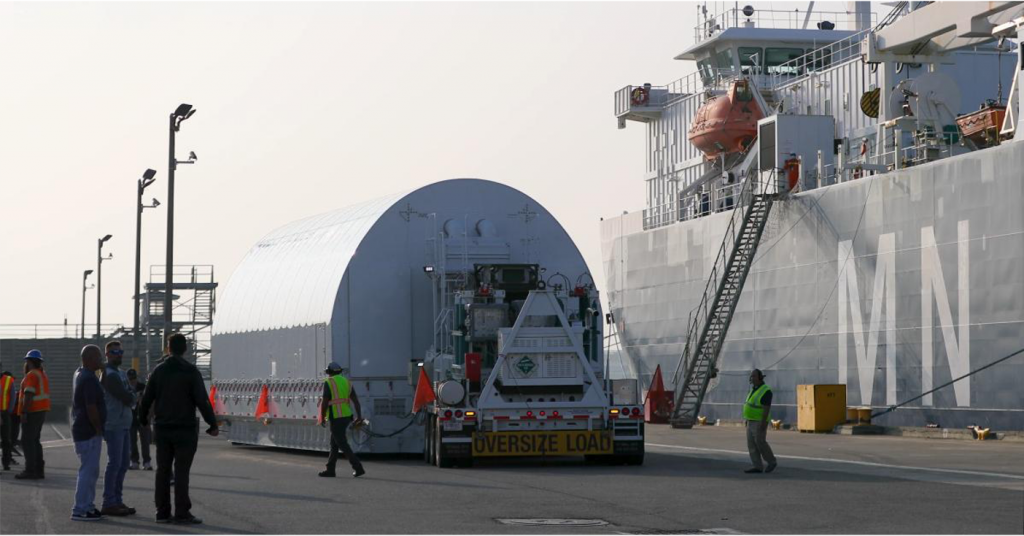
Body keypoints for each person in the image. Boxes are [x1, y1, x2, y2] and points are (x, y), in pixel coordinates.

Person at [139, 334, 219, 525]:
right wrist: (212, 424)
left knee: (163, 471)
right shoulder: (191, 371)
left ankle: (162, 512)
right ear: (185, 349)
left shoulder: (158, 371)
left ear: (168, 348)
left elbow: (146, 398)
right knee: (182, 472)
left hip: (163, 428)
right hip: (185, 429)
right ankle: (182, 512)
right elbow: (202, 400)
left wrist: (142, 419)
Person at [99, 340, 137, 516]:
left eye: (120, 352)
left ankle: (117, 500)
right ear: (107, 354)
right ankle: (109, 502)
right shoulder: (109, 374)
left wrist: (131, 396)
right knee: (115, 463)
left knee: (122, 464)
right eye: (114, 352)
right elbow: (126, 396)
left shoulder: (120, 373)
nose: (118, 355)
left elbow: (131, 394)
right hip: (113, 424)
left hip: (124, 423)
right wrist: (131, 396)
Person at [71, 345, 108, 521]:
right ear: (90, 358)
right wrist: (98, 428)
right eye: (99, 357)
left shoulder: (81, 374)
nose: (101, 360)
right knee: (88, 470)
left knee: (91, 470)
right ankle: (81, 508)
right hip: (88, 430)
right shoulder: (89, 379)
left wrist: (103, 372)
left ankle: (88, 505)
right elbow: (91, 406)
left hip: (83, 429)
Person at [318, 362, 365, 478]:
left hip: (336, 417)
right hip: (347, 416)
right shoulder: (347, 382)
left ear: (330, 373)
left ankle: (358, 467)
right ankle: (330, 470)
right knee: (334, 443)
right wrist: (359, 416)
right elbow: (356, 401)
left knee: (342, 443)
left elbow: (325, 402)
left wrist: (323, 417)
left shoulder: (329, 382)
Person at [16, 349, 50, 480]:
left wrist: (24, 412)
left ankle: (30, 470)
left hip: (32, 411)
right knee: (35, 440)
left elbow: (29, 394)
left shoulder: (31, 375)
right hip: (41, 411)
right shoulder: (42, 374)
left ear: (29, 362)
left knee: (27, 441)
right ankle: (39, 470)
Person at [743, 368, 777, 474]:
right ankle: (757, 466)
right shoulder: (754, 389)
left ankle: (771, 461)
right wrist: (747, 419)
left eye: (753, 376)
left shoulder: (765, 391)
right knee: (751, 444)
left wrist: (763, 422)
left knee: (760, 442)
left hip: (759, 421)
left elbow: (766, 408)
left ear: (760, 378)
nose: (751, 378)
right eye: (751, 376)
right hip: (750, 420)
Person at [127, 368, 152, 470]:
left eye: (134, 378)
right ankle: (134, 461)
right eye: (131, 379)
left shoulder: (143, 387)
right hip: (130, 418)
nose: (133, 381)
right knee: (132, 441)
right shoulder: (126, 388)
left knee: (145, 441)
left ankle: (147, 462)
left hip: (142, 417)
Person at [0, 364, 16, 472]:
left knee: (6, 440)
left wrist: (8, 411)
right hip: (4, 414)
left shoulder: (8, 380)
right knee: (6, 440)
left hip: (4, 413)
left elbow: (13, 397)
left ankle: (6, 463)